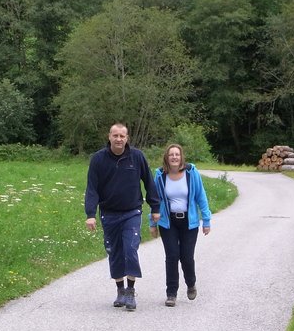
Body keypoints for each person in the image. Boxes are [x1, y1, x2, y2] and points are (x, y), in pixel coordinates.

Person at [85, 122, 160, 311]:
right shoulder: (98, 159)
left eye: (122, 136)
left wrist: (155, 207)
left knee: (130, 249)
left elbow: (149, 182)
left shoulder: (137, 157)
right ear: (109, 137)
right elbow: (92, 188)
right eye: (115, 135)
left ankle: (130, 291)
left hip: (131, 212)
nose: (118, 139)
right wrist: (90, 214)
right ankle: (120, 290)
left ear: (127, 138)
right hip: (108, 213)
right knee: (114, 251)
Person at [149, 143, 212, 307]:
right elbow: (155, 200)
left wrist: (206, 220)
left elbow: (201, 196)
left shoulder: (191, 173)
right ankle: (171, 294)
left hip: (188, 222)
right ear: (167, 157)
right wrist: (152, 223)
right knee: (171, 256)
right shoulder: (160, 175)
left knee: (186, 257)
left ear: (181, 157)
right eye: (171, 155)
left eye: (177, 154)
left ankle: (191, 283)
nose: (174, 157)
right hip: (168, 222)